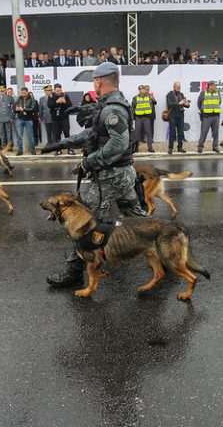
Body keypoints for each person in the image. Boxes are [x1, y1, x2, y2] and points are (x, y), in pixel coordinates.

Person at [40, 62, 147, 287]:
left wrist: (89, 162)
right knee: (138, 218)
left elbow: (118, 143)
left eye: (94, 81)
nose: (94, 84)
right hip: (124, 173)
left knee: (81, 222)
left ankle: (73, 273)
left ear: (99, 81)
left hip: (111, 176)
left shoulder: (112, 108)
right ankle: (162, 245)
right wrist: (60, 143)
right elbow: (93, 133)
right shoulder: (114, 104)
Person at [48, 84, 74, 155]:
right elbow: (49, 105)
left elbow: (70, 104)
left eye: (60, 90)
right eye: (57, 90)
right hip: (55, 119)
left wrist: (65, 102)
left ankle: (70, 149)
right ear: (54, 90)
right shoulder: (51, 96)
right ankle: (58, 150)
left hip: (64, 118)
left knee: (67, 134)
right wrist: (57, 102)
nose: (59, 92)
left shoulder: (65, 95)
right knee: (56, 135)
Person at [196, 80, 222, 153]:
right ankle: (200, 147)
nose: (215, 87)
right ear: (209, 86)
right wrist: (203, 110)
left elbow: (219, 102)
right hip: (206, 116)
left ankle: (215, 147)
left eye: (215, 85)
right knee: (204, 132)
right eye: (214, 85)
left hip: (216, 116)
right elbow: (199, 103)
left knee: (215, 133)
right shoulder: (203, 93)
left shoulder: (218, 93)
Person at [165, 81, 190, 154]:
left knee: (181, 133)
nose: (178, 88)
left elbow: (186, 105)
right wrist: (179, 103)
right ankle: (170, 148)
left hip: (180, 116)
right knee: (172, 133)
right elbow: (169, 104)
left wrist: (186, 104)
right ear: (173, 87)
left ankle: (180, 147)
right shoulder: (169, 95)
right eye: (177, 87)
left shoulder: (181, 94)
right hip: (172, 116)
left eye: (179, 87)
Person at [132, 84, 156, 153]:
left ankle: (150, 148)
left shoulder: (149, 97)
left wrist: (153, 98)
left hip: (147, 117)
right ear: (139, 90)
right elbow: (133, 106)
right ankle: (135, 148)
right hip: (138, 118)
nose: (144, 90)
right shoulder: (135, 98)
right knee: (137, 134)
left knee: (149, 133)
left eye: (144, 89)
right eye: (142, 89)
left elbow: (154, 103)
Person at [14, 86, 38, 155]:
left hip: (29, 119)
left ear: (27, 92)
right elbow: (16, 108)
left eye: (24, 93)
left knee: (30, 136)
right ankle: (20, 150)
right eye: (22, 93)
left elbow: (33, 109)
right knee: (19, 136)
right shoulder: (19, 99)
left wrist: (23, 109)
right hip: (20, 119)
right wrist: (17, 109)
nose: (23, 94)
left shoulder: (32, 99)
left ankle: (32, 150)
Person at [0, 85, 16, 150]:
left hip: (8, 117)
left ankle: (10, 146)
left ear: (5, 91)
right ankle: (3, 146)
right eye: (1, 91)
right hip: (0, 117)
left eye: (3, 91)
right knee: (2, 132)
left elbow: (14, 107)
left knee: (9, 132)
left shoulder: (9, 97)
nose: (2, 92)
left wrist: (12, 116)